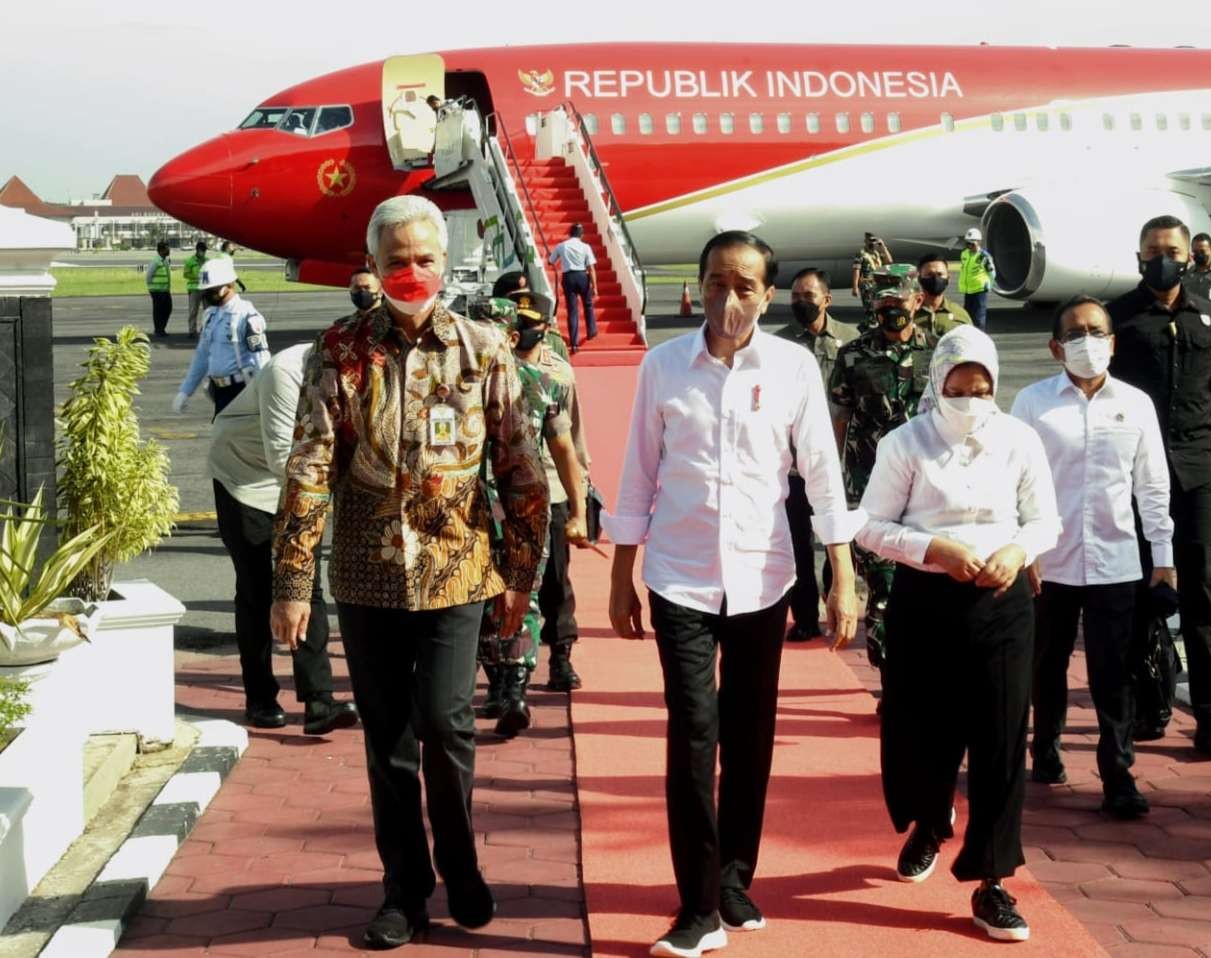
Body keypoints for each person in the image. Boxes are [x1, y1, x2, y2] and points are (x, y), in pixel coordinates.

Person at [270, 195, 549, 949]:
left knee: (445, 721)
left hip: (460, 567)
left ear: (444, 262)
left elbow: (522, 469)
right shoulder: (339, 351)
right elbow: (309, 467)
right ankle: (405, 889)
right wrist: (293, 582)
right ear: (373, 267)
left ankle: (462, 866)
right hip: (367, 575)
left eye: (425, 258)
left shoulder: (484, 349)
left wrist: (521, 576)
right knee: (387, 736)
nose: (413, 272)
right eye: (397, 261)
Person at [605, 231, 861, 958]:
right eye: (717, 282)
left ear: (767, 293)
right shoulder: (664, 368)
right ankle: (696, 908)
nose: (730, 299)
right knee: (692, 738)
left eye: (746, 286)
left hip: (761, 577)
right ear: (698, 285)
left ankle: (734, 877)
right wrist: (623, 570)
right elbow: (638, 473)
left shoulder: (791, 367)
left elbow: (819, 472)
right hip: (679, 575)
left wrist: (842, 573)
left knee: (748, 736)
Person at [857, 325, 1059, 943]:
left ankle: (992, 881)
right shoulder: (906, 443)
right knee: (922, 730)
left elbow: (1045, 518)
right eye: (958, 387)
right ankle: (928, 819)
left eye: (982, 388)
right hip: (926, 602)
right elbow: (869, 524)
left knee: (1000, 740)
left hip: (1002, 604)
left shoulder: (1020, 440)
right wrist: (932, 547)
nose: (970, 399)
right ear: (937, 382)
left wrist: (1018, 548)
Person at [1011, 295, 1175, 820]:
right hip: (1048, 560)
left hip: (1115, 561)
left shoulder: (1136, 404)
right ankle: (1046, 749)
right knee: (1046, 664)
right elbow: (1012, 482)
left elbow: (1151, 486)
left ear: (1113, 341)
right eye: (1076, 333)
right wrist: (1021, 549)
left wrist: (1164, 558)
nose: (1088, 342)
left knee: (1114, 673)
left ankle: (1117, 774)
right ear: (1056, 346)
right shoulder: (1033, 404)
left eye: (1097, 331)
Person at [1109, 214, 1211, 756]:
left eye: (1170, 249)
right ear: (1139, 255)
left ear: (1189, 255)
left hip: (1195, 478)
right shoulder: (1118, 320)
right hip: (1132, 479)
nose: (1160, 257)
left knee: (1203, 600)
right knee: (1139, 596)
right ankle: (1150, 701)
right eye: (1151, 249)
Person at [209, 344, 360, 734]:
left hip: (306, 477)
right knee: (258, 588)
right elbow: (282, 458)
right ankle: (259, 697)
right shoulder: (287, 371)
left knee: (305, 585)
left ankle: (319, 702)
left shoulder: (359, 372)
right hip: (244, 476)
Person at [478, 302, 590, 733]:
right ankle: (498, 682)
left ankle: (515, 691)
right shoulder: (454, 385)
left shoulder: (542, 383)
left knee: (523, 597)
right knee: (483, 603)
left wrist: (578, 511)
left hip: (527, 513)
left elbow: (564, 449)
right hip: (471, 516)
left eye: (494, 332)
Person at [830, 278, 935, 672]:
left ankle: (921, 670)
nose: (891, 308)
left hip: (927, 488)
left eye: (899, 300)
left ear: (918, 300)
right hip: (870, 487)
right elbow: (839, 420)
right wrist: (835, 482)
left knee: (926, 585)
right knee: (883, 587)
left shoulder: (939, 353)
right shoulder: (853, 355)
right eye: (883, 302)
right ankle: (891, 678)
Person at [776, 267, 856, 642]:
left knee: (840, 539)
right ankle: (805, 616)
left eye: (808, 296)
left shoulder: (852, 342)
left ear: (827, 299)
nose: (801, 302)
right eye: (795, 296)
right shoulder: (779, 346)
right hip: (793, 466)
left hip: (840, 464)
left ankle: (835, 598)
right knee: (798, 546)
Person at [172, 256, 270, 418]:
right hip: (218, 392)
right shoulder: (210, 315)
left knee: (228, 439)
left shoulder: (247, 316)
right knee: (225, 440)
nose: (208, 295)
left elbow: (261, 359)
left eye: (213, 290)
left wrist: (266, 395)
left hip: (242, 390)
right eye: (206, 291)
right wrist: (185, 391)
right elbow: (202, 356)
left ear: (229, 285)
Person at [548, 224, 597, 350]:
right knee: (588, 304)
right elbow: (591, 268)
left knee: (572, 310)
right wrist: (594, 286)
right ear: (581, 234)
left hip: (568, 277)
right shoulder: (585, 247)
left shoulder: (561, 246)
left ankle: (574, 342)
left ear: (570, 233)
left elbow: (551, 261)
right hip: (582, 276)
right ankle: (591, 331)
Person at [914, 253, 973, 337]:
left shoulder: (960, 315)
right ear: (920, 279)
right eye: (929, 274)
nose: (935, 279)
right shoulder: (909, 313)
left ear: (948, 278)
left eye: (940, 274)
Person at [958, 227, 997, 331]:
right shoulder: (964, 254)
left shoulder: (984, 256)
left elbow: (992, 272)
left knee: (978, 318)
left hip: (979, 290)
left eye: (972, 243)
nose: (970, 246)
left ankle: (979, 338)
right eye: (968, 243)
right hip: (968, 289)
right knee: (967, 316)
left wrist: (990, 285)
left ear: (979, 242)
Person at [851, 231, 891, 310]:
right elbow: (856, 270)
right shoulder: (861, 254)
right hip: (867, 285)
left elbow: (889, 261)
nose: (872, 243)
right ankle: (872, 321)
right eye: (870, 240)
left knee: (880, 307)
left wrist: (883, 248)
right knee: (870, 308)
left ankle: (877, 321)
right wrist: (855, 287)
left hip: (878, 284)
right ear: (865, 241)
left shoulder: (877, 254)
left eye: (874, 241)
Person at [145, 240, 173, 338]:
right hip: (157, 291)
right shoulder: (155, 261)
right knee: (158, 311)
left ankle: (161, 328)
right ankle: (158, 330)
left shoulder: (164, 260)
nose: (169, 250)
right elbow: (148, 276)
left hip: (165, 290)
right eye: (167, 248)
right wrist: (151, 288)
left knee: (168, 309)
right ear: (161, 250)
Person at [182, 240, 209, 337]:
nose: (204, 253)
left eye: (205, 251)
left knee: (208, 311)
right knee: (193, 311)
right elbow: (185, 274)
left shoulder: (207, 260)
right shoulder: (190, 261)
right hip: (194, 288)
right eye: (202, 250)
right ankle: (192, 330)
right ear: (197, 250)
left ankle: (205, 329)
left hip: (206, 288)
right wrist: (197, 276)